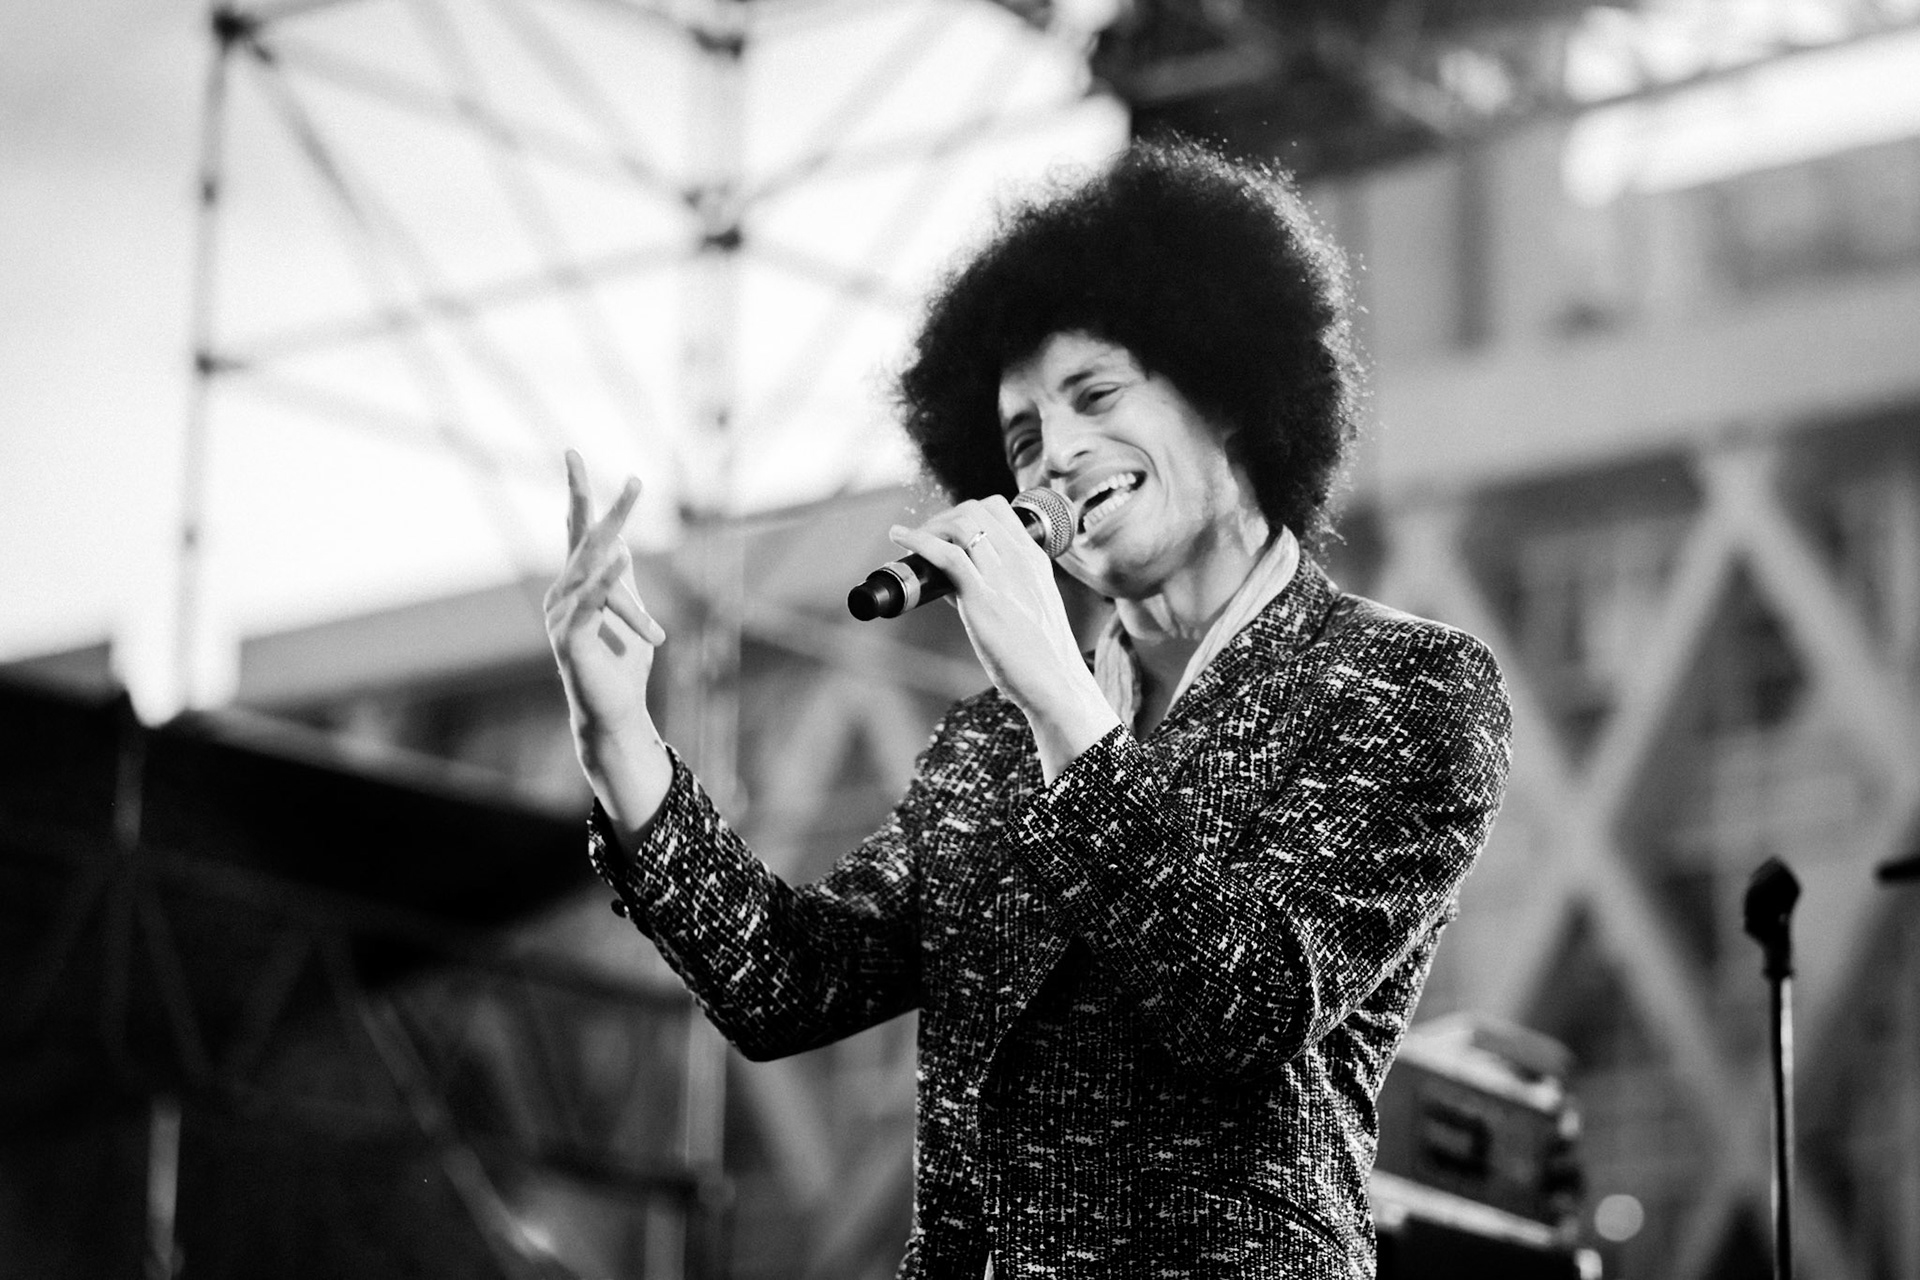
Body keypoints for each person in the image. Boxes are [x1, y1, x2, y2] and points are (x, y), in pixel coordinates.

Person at [545, 138, 1512, 1279]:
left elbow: (1239, 1002)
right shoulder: (992, 743)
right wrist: (620, 734)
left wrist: (1062, 700)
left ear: (1232, 390)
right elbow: (785, 977)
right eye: (1020, 441)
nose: (1055, 457)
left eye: (1095, 395)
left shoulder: (1406, 686)